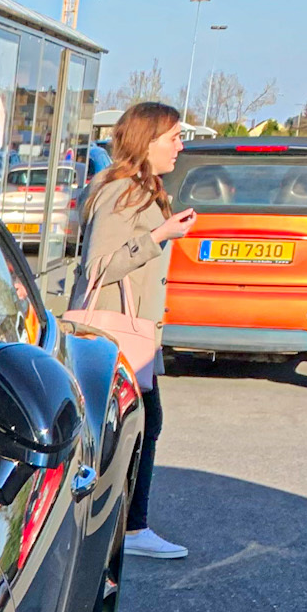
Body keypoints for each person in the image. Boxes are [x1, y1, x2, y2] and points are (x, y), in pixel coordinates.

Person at [72, 101, 197, 560]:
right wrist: (159, 236)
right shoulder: (123, 191)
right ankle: (130, 526)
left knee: (137, 423)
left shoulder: (139, 188)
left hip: (132, 332)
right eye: (173, 138)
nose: (180, 147)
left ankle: (125, 521)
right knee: (137, 424)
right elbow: (100, 265)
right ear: (147, 141)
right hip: (117, 333)